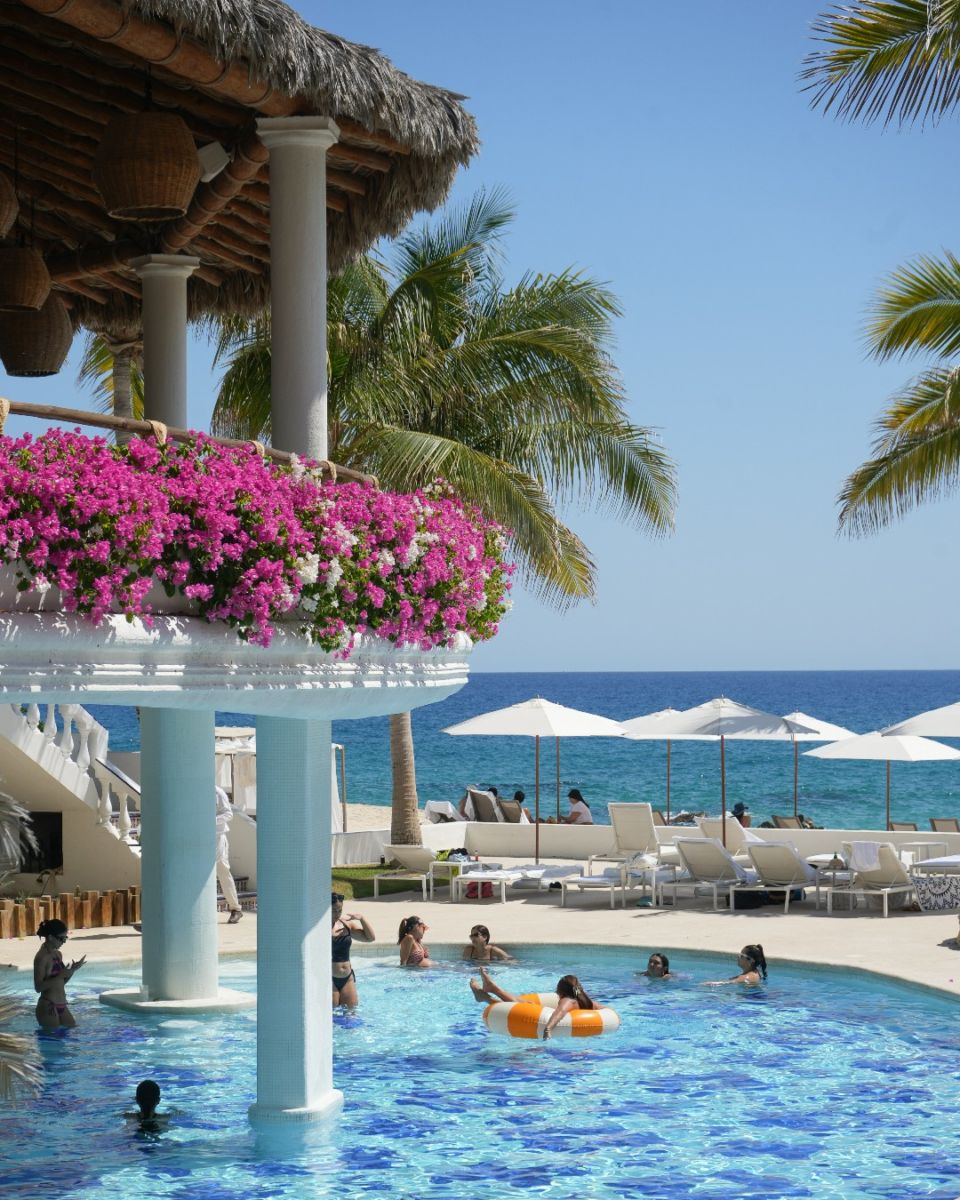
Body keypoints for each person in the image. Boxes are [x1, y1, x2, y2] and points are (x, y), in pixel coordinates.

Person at [469, 967, 599, 1038]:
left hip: (556, 1026)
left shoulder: (567, 1000)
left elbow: (560, 1011)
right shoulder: (584, 1000)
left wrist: (548, 1028)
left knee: (524, 1005)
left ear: (561, 991)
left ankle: (489, 993)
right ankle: (487, 993)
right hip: (581, 1030)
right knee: (528, 1005)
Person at [33, 918, 85, 1029]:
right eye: (61, 939)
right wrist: (61, 975)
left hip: (62, 1005)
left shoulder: (57, 954)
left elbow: (60, 982)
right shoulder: (41, 958)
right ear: (51, 937)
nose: (64, 942)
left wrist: (71, 971)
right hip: (48, 1006)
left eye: (65, 938)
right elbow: (38, 987)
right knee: (54, 1044)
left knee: (73, 1033)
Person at [331, 891, 375, 1007]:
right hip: (329, 978)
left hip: (347, 977)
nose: (337, 914)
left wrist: (362, 919)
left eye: (339, 910)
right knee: (332, 1017)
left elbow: (370, 938)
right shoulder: (320, 928)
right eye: (334, 910)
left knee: (351, 1016)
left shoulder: (346, 925)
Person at [215, 785, 242, 924]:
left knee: (223, 872)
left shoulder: (217, 792)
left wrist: (210, 821)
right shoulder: (193, 790)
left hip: (217, 837)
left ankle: (235, 909)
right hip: (199, 837)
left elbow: (228, 814)